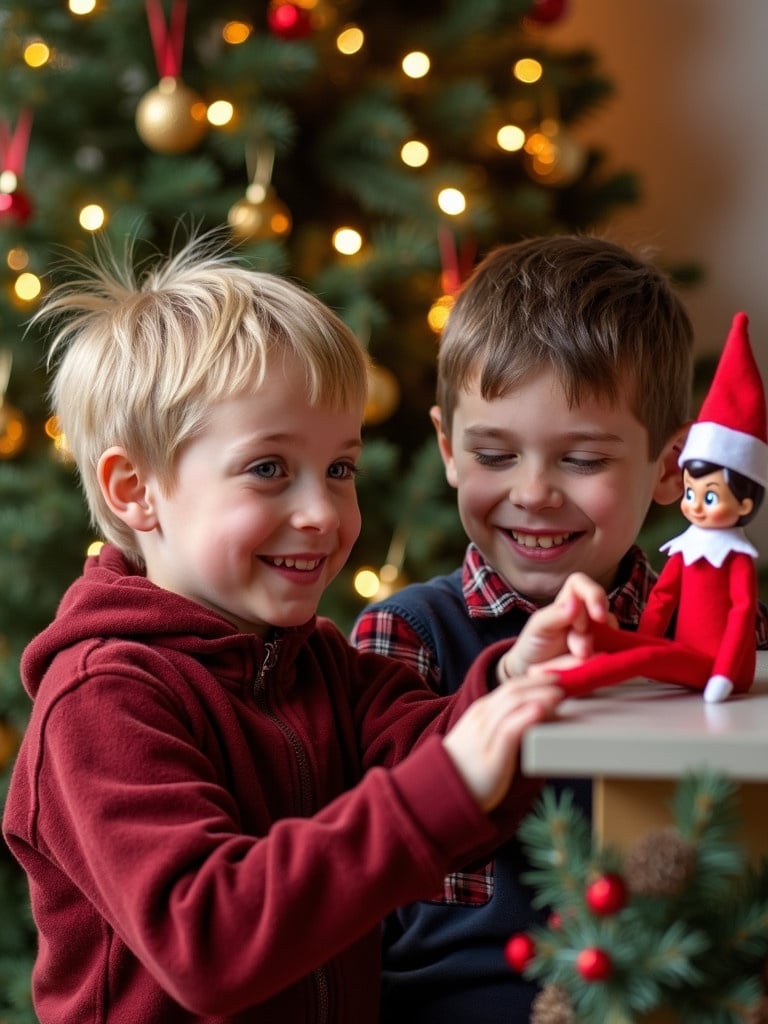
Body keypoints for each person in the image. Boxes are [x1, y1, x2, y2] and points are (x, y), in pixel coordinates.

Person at [1, 233, 567, 1024]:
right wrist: (444, 785)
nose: (323, 513)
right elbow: (211, 940)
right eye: (269, 468)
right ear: (136, 490)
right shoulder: (102, 702)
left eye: (340, 469)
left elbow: (438, 761)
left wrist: (514, 681)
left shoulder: (320, 667)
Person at [350, 235, 768, 1023]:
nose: (533, 494)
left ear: (672, 465)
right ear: (447, 447)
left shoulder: (729, 645)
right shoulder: (402, 640)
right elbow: (350, 869)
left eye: (580, 459)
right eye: (495, 454)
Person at [555, 310, 768, 703]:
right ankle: (589, 649)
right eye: (691, 494)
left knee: (634, 662)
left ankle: (563, 684)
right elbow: (663, 598)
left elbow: (742, 616)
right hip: (684, 655)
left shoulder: (735, 559)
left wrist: (724, 671)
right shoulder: (687, 549)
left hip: (718, 669)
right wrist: (644, 642)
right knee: (632, 651)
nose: (696, 507)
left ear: (746, 502)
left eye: (709, 497)